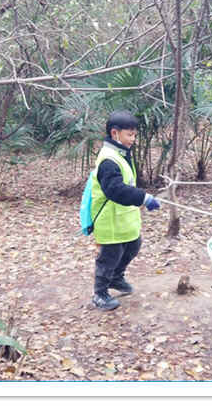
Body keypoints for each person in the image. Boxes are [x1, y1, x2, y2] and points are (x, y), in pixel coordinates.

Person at [88, 111, 161, 311]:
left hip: (125, 219)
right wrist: (143, 198)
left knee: (133, 246)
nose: (133, 140)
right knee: (109, 257)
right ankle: (100, 293)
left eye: (134, 135)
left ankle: (116, 278)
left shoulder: (121, 154)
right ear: (115, 133)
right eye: (130, 135)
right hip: (109, 220)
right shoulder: (108, 160)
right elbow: (115, 190)